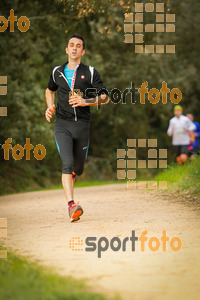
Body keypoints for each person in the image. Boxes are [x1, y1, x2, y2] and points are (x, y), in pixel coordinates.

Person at [45, 34, 110, 222]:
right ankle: (71, 206)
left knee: (78, 169)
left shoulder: (90, 72)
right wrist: (49, 106)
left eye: (78, 46)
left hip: (82, 125)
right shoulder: (57, 71)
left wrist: (85, 101)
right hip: (62, 125)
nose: (74, 48)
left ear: (83, 51)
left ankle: (74, 174)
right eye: (71, 45)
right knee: (67, 163)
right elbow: (49, 90)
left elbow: (105, 97)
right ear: (66, 49)